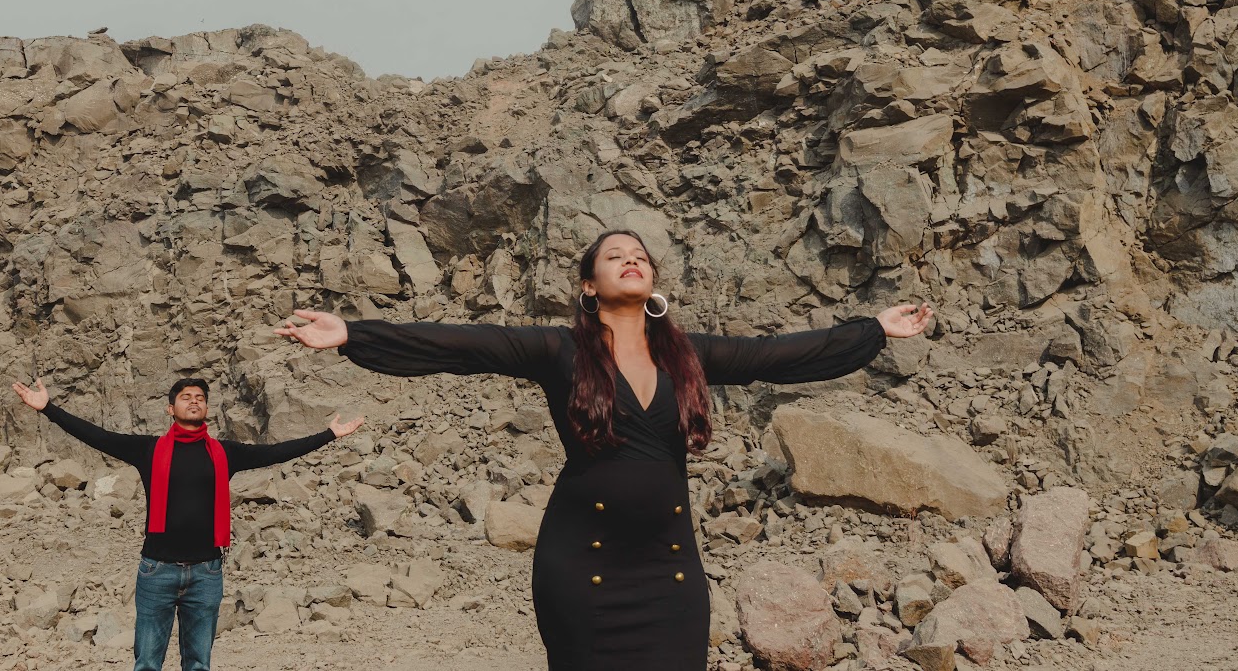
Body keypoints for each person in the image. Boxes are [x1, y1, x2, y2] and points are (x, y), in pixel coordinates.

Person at [276, 228, 931, 671]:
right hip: (580, 568)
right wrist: (353, 333)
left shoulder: (689, 354)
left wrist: (873, 329)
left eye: (640, 254)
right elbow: (463, 343)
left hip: (670, 575)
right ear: (589, 284)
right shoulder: (557, 349)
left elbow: (779, 356)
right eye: (615, 255)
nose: (631, 259)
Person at [12, 375, 364, 671]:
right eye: (186, 397)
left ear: (206, 409)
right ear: (170, 409)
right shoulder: (148, 449)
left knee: (198, 664)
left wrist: (328, 435)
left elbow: (275, 452)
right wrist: (48, 409)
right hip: (156, 571)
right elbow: (98, 436)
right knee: (147, 663)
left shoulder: (226, 452)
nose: (194, 401)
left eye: (200, 398)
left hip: (206, 573)